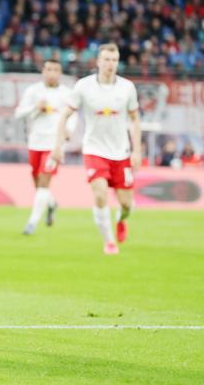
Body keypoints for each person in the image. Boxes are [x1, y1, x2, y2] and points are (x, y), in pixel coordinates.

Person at [52, 43, 141, 255]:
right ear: (98, 62)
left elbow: (135, 119)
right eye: (107, 59)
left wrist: (137, 151)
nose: (111, 64)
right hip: (94, 150)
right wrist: (58, 144)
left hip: (121, 152)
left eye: (114, 60)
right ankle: (109, 241)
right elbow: (66, 114)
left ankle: (121, 219)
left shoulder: (127, 88)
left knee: (127, 204)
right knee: (100, 194)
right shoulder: (84, 86)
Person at [15, 59, 75, 235]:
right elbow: (18, 114)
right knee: (38, 183)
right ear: (43, 71)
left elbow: (73, 116)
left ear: (60, 73)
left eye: (55, 70)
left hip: (54, 144)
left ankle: (31, 224)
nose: (52, 73)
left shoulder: (66, 93)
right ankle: (51, 203)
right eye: (48, 69)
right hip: (35, 142)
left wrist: (68, 131)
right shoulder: (33, 91)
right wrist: (35, 107)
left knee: (43, 182)